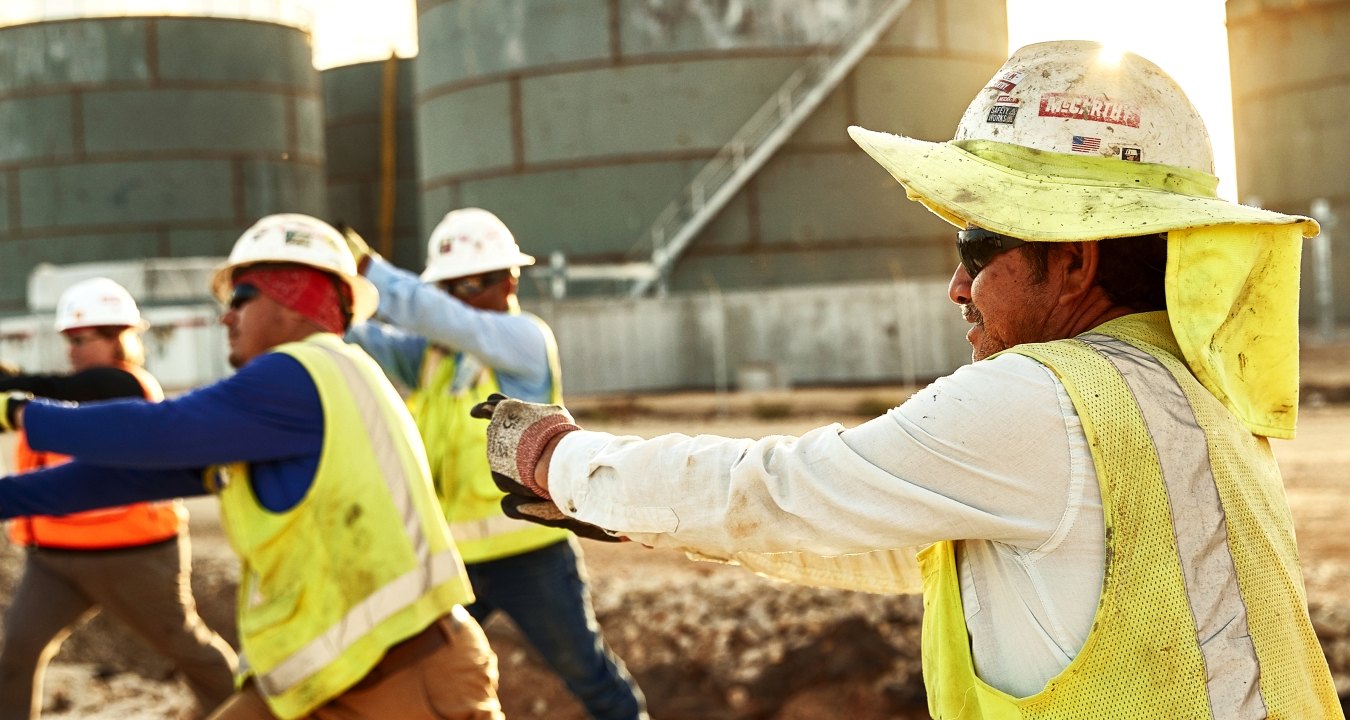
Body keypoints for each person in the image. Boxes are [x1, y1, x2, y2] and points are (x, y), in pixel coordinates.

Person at [474, 41, 1343, 718]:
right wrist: (637, 512)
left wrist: (565, 459)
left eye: (976, 249)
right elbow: (908, 546)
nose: (956, 286)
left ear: (1074, 263)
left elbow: (784, 489)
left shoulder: (1042, 399)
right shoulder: (1184, 393)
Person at [0, 214, 503, 720]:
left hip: (404, 680)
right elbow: (126, 476)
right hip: (323, 681)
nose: (226, 317)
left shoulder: (303, 371)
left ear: (295, 299)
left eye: (240, 299)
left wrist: (19, 411)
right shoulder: (281, 405)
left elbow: (159, 430)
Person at [342, 208, 647, 720]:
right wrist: (327, 293)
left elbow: (442, 318)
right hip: (452, 559)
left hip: (531, 554)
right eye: (449, 287)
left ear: (511, 279)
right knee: (421, 677)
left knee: (587, 675)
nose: (460, 297)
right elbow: (356, 336)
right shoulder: (433, 357)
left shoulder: (523, 341)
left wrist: (367, 267)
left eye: (475, 282)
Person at [0, 278, 236, 720]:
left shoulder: (127, 388)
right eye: (68, 339)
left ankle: (250, 713)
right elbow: (53, 393)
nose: (72, 349)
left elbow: (80, 390)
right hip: (54, 560)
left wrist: (13, 388)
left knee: (190, 650)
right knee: (17, 650)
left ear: (119, 339)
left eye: (81, 339)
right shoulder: (65, 392)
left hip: (134, 560)